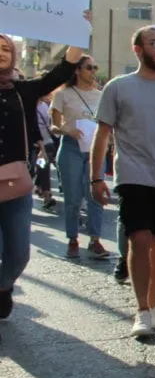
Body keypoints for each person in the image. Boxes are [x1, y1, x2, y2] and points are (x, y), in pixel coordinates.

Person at [90, 26, 155, 338]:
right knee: (140, 240)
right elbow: (102, 135)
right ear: (137, 49)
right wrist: (96, 177)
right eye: (154, 43)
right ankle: (141, 310)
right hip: (132, 174)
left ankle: (154, 307)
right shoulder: (118, 87)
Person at [0, 33, 85, 325]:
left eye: (5, 48)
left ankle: (3, 285)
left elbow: (61, 71)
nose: (1, 53)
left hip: (16, 184)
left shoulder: (23, 91)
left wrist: (76, 30)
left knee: (19, 254)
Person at [49, 55, 108, 259]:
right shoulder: (63, 94)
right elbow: (53, 126)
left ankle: (95, 239)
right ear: (77, 70)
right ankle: (72, 239)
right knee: (73, 197)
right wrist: (67, 130)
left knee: (96, 194)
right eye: (89, 67)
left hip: (95, 149)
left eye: (95, 67)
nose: (93, 71)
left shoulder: (102, 95)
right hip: (71, 147)